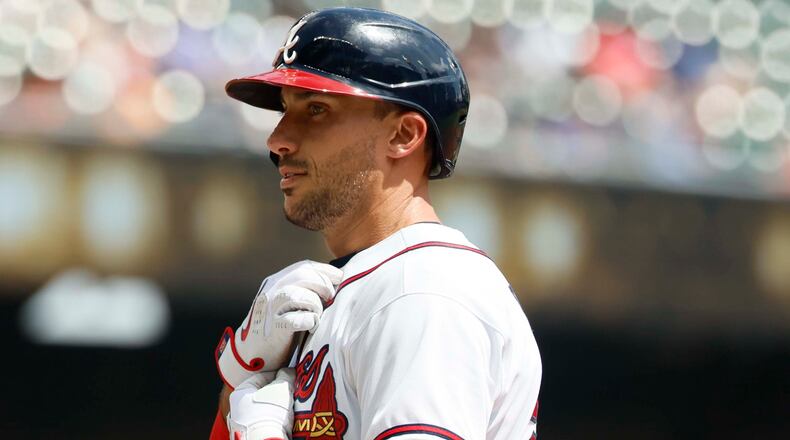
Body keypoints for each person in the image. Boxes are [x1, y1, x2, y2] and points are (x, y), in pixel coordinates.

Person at [210, 7, 542, 440]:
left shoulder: (423, 290)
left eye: (316, 109)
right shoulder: (375, 283)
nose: (278, 140)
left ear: (404, 135)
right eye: (285, 110)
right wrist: (237, 381)